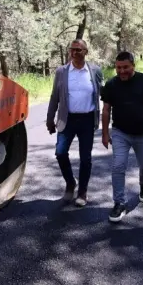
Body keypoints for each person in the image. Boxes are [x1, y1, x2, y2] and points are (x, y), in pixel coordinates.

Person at [100, 51, 143, 222]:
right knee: (118, 166)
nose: (122, 71)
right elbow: (106, 110)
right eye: (118, 68)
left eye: (125, 67)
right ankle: (119, 203)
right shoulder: (111, 84)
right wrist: (105, 133)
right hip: (120, 132)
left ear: (133, 65)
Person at [47, 39, 104, 206]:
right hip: (67, 119)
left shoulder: (95, 71)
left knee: (85, 158)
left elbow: (104, 93)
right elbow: (54, 97)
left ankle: (82, 192)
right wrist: (50, 118)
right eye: (72, 49)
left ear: (86, 52)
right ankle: (71, 182)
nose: (74, 52)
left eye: (79, 50)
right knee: (60, 153)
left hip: (87, 119)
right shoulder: (61, 72)